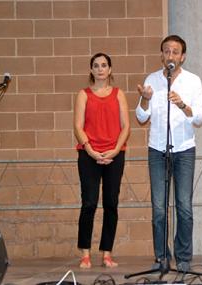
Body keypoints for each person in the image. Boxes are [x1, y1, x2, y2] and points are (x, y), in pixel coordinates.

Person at [135, 35, 202, 272]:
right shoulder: (152, 80)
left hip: (184, 149)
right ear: (162, 55)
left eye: (175, 52)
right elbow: (141, 116)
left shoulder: (193, 81)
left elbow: (200, 118)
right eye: (166, 51)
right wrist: (145, 100)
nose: (170, 56)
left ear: (182, 56)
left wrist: (183, 105)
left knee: (184, 206)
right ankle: (161, 258)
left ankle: (184, 258)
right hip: (157, 150)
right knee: (159, 208)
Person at [74, 52, 130, 269]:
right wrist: (90, 150)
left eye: (104, 65)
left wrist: (115, 150)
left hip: (114, 155)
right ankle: (85, 253)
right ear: (91, 70)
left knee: (111, 204)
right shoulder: (83, 94)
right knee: (89, 203)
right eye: (96, 65)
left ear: (110, 69)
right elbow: (78, 126)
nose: (100, 69)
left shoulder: (118, 94)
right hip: (89, 155)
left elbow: (126, 126)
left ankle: (107, 253)